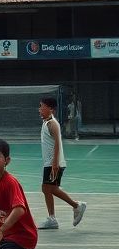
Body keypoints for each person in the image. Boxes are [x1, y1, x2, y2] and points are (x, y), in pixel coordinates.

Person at [39, 96, 87, 229]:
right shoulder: (46, 122)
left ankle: (76, 206)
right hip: (49, 162)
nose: (40, 109)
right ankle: (53, 217)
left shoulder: (52, 124)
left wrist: (55, 163)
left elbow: (57, 144)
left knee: (49, 188)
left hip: (54, 163)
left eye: (42, 106)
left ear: (51, 109)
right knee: (48, 188)